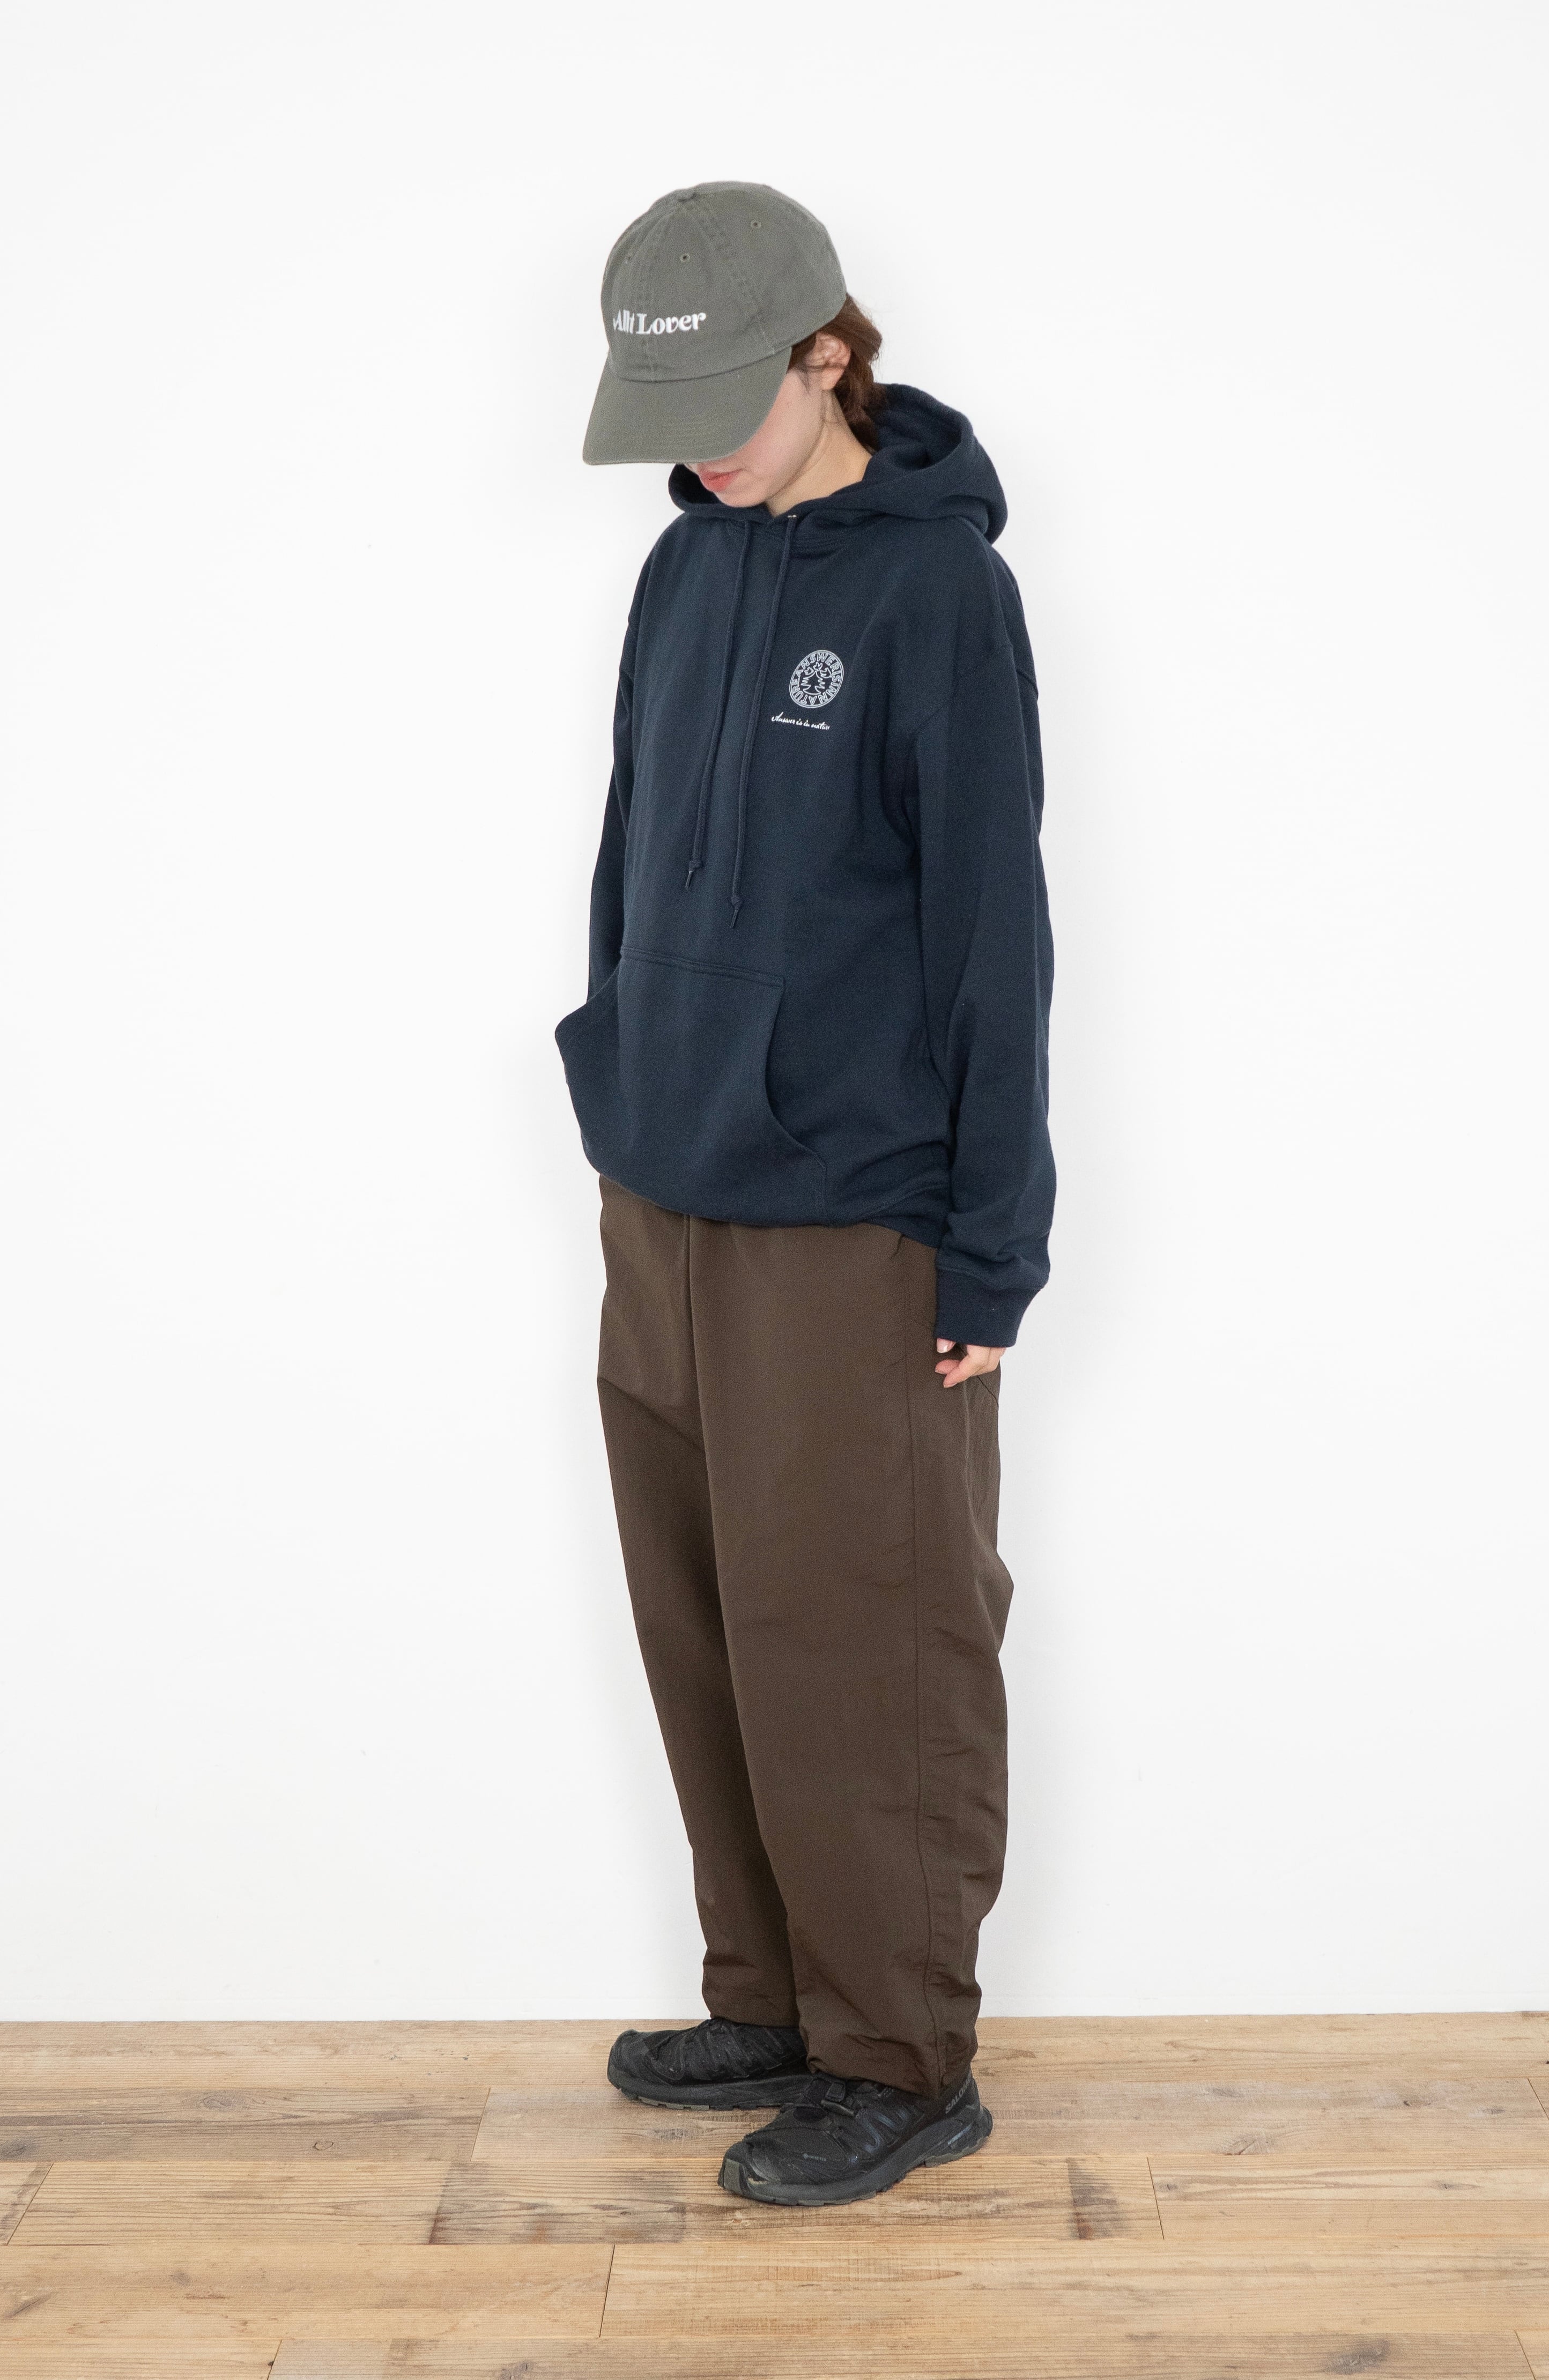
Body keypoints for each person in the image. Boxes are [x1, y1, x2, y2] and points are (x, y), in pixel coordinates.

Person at [557, 181, 1054, 2207]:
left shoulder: (938, 596)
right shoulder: (683, 570)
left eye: (722, 407)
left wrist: (990, 1248)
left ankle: (899, 2059)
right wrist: (618, 1084)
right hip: (664, 1189)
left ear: (826, 355)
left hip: (853, 1216)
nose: (694, 451)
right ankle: (770, 2000)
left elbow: (992, 938)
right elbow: (627, 855)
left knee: (862, 1633)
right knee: (709, 1623)